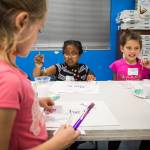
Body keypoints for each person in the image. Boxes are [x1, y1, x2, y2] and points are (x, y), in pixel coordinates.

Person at [0, 0, 80, 150]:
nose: (37, 37)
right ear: (22, 22)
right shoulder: (8, 80)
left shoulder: (10, 72)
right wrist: (58, 143)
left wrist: (32, 102)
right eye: (39, 30)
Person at [109, 30, 150, 150]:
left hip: (139, 103)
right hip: (121, 102)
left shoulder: (144, 65)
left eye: (136, 48)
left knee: (142, 126)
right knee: (117, 131)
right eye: (129, 48)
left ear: (140, 49)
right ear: (122, 48)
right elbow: (114, 83)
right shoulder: (116, 64)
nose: (132, 51)